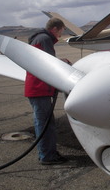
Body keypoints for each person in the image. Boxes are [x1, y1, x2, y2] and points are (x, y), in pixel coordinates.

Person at [25, 17, 70, 165]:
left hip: (38, 88)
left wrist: (60, 61)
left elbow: (45, 61)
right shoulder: (45, 39)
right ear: (55, 29)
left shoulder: (40, 38)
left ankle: (47, 152)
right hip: (40, 88)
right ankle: (47, 156)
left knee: (45, 123)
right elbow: (49, 66)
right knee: (44, 124)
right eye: (61, 31)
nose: (61, 34)